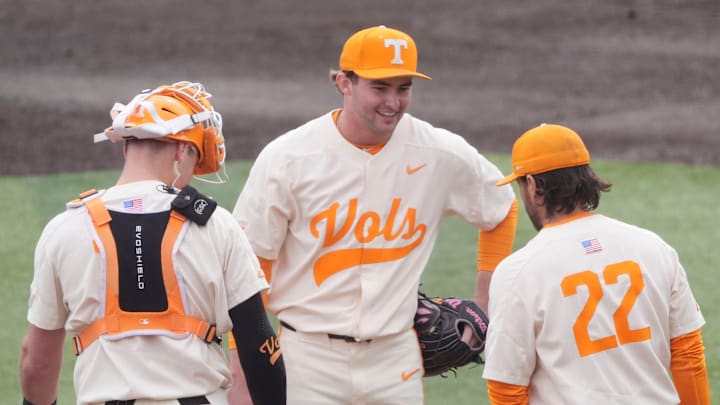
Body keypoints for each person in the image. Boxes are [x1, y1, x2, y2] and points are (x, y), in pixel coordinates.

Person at [227, 25, 518, 404]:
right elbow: (250, 268)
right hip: (307, 359)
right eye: (380, 88)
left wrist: (485, 302)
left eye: (404, 88)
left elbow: (500, 206)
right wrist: (241, 369)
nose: (393, 102)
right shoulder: (289, 158)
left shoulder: (438, 152)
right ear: (344, 82)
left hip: (395, 358)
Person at [19, 81, 286, 405]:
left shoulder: (64, 229)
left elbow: (35, 361)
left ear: (125, 148)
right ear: (180, 151)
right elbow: (258, 341)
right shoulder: (218, 225)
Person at [482, 123, 710, 404]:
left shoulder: (518, 272)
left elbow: (507, 388)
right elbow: (688, 354)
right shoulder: (653, 247)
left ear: (532, 186)